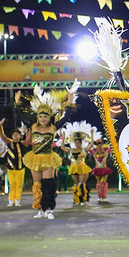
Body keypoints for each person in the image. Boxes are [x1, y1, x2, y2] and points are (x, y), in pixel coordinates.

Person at [14, 84, 77, 219]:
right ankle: (40, 208)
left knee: (48, 184)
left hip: (48, 157)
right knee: (37, 185)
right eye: (41, 117)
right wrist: (17, 102)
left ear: (49, 118)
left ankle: (48, 209)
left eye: (46, 117)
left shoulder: (54, 127)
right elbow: (21, 117)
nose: (43, 119)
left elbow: (66, 118)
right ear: (37, 117)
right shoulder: (33, 126)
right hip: (34, 157)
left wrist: (70, 104)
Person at [60, 121, 97, 206]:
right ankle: (76, 199)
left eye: (79, 142)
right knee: (76, 185)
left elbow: (91, 143)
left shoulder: (84, 149)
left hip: (82, 167)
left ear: (81, 142)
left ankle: (82, 199)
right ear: (74, 143)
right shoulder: (71, 150)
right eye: (76, 142)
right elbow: (62, 147)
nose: (77, 144)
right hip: (73, 167)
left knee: (81, 184)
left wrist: (92, 134)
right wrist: (64, 137)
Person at [0, 119, 26, 207]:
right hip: (10, 168)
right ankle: (11, 200)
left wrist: (29, 130)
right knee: (12, 184)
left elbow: (30, 138)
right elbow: (2, 136)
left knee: (19, 185)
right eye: (14, 134)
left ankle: (17, 200)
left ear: (20, 136)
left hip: (20, 168)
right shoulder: (9, 142)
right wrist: (0, 125)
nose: (15, 135)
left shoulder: (23, 143)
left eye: (17, 134)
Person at [90, 137, 113, 202]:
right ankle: (100, 196)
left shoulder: (105, 150)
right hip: (97, 169)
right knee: (99, 183)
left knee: (103, 182)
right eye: (98, 144)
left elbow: (111, 147)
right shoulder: (94, 151)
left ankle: (104, 196)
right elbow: (89, 148)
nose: (99, 146)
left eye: (100, 144)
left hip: (104, 169)